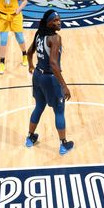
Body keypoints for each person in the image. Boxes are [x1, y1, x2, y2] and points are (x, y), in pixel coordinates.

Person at [25, 10, 73, 155]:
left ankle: (30, 137)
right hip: (50, 79)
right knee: (59, 111)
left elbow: (29, 52)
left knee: (39, 106)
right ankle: (63, 144)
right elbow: (53, 63)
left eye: (59, 19)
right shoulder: (55, 38)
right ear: (49, 23)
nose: (59, 22)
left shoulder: (39, 34)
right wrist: (64, 85)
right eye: (55, 20)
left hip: (38, 76)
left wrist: (31, 65)